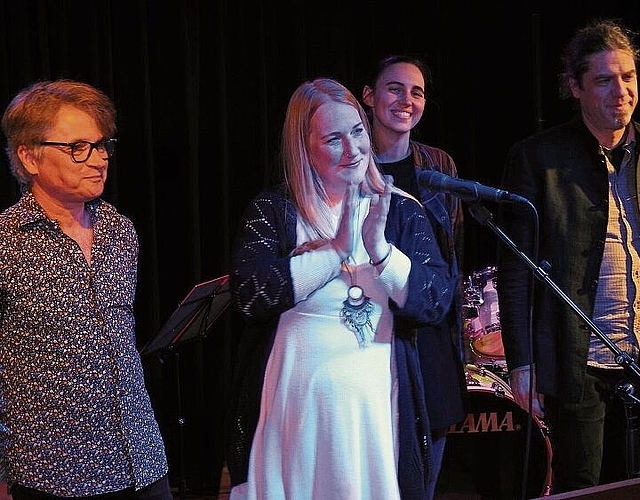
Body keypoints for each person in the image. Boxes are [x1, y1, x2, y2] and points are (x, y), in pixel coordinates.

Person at [496, 19, 640, 494]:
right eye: (605, 80)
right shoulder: (537, 157)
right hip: (578, 361)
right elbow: (515, 272)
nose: (621, 91)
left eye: (628, 77)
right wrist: (522, 363)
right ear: (575, 86)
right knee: (582, 484)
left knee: (634, 483)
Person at [224, 77, 455, 500]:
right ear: (304, 147)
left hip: (373, 415)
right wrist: (335, 252)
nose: (352, 150)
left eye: (357, 132)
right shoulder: (274, 210)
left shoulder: (400, 209)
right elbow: (250, 295)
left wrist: (381, 252)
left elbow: (436, 301)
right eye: (334, 139)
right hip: (295, 414)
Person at [0, 80, 171, 499]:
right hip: (53, 472)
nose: (98, 160)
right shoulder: (6, 242)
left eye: (101, 145)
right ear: (29, 156)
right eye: (78, 147)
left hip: (141, 458)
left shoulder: (120, 231)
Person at [362, 55, 467, 499]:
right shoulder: (346, 160)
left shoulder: (439, 165)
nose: (407, 100)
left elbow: (449, 256)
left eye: (417, 91)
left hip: (429, 345)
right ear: (368, 97)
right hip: (368, 344)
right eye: (394, 88)